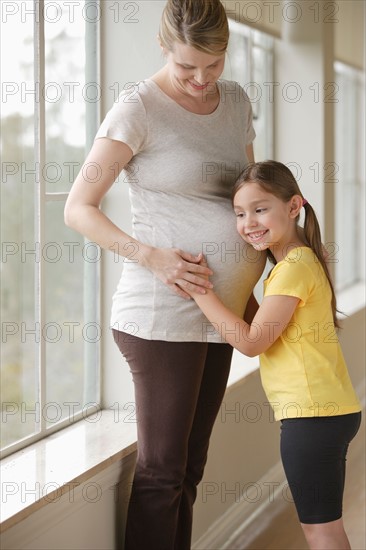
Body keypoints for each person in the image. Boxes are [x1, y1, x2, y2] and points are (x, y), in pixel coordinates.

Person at [64, 1, 266, 548]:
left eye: (214, 64)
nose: (201, 81)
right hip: (160, 313)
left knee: (189, 472)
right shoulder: (138, 108)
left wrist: (256, 287)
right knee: (161, 474)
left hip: (219, 310)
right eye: (186, 68)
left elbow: (246, 198)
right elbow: (78, 207)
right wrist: (150, 255)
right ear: (162, 48)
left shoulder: (238, 102)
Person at [188, 160, 362, 550]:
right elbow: (269, 325)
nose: (249, 221)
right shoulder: (298, 260)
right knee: (326, 526)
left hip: (312, 416)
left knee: (321, 531)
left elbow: (252, 342)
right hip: (328, 411)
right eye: (239, 213)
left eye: (260, 208)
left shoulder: (293, 268)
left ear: (294, 206)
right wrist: (242, 284)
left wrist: (201, 291)